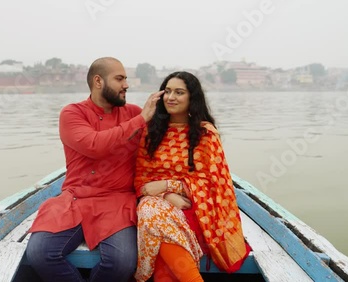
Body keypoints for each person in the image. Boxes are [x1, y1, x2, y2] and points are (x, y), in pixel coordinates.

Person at [25, 57, 164, 282]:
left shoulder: (133, 113)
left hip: (117, 202)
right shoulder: (72, 113)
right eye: (119, 79)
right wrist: (141, 120)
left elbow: (165, 139)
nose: (126, 85)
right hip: (74, 199)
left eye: (126, 79)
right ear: (98, 81)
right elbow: (95, 146)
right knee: (40, 254)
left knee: (122, 264)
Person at [133, 71, 251, 282]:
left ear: (192, 98)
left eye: (179, 92)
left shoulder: (206, 134)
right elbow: (142, 182)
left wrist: (168, 185)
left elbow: (216, 184)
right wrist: (167, 195)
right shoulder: (151, 132)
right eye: (167, 91)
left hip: (198, 210)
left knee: (152, 218)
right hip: (159, 207)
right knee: (151, 210)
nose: (171, 97)